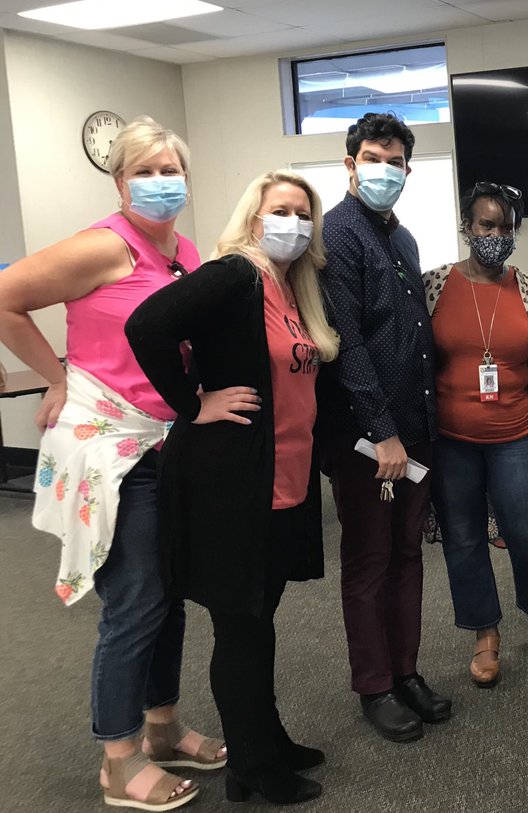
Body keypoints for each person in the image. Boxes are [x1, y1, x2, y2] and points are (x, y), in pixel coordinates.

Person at [0, 116, 222, 811]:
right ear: (119, 180)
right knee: (135, 601)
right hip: (113, 448)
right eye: (145, 172)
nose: (162, 183)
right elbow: (5, 298)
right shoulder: (103, 245)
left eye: (171, 169)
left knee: (170, 592)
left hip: (166, 439)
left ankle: (162, 725)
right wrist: (57, 375)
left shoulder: (182, 247)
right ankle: (118, 759)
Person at [126, 170, 338, 804]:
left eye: (304, 214)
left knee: (257, 619)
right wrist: (193, 403)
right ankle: (252, 765)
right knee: (241, 624)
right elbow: (148, 325)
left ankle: (264, 739)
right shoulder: (234, 275)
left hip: (280, 478)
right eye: (281, 210)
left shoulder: (289, 285)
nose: (293, 224)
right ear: (254, 217)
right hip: (232, 483)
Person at [318, 112, 450, 743]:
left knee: (407, 555)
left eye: (395, 162)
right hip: (370, 438)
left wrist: (417, 427)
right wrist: (383, 432)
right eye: (373, 158)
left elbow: (412, 334)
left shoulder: (402, 238)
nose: (385, 170)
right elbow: (347, 345)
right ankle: (374, 684)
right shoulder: (337, 236)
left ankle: (406, 670)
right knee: (370, 558)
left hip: (415, 426)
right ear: (350, 165)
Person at [425, 181, 528, 688]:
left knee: (526, 531)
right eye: (487, 225)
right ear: (468, 227)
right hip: (452, 440)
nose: (496, 235)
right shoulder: (435, 286)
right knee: (463, 539)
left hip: (514, 435)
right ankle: (485, 634)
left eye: (505, 227)